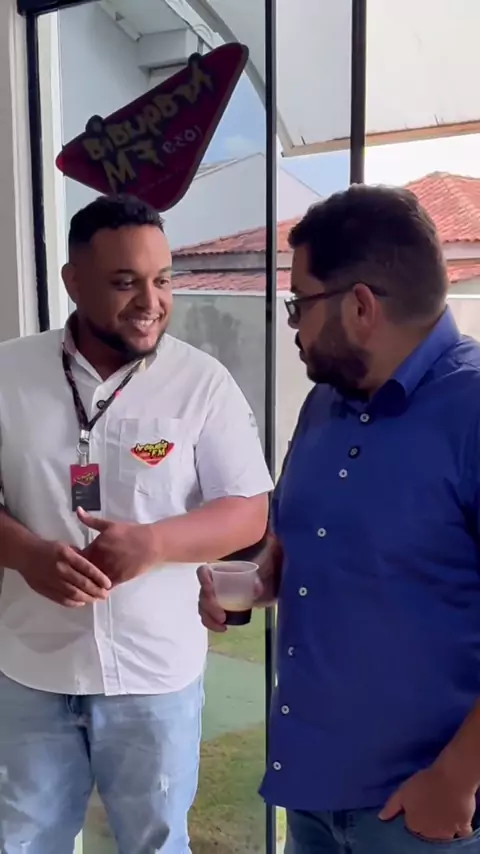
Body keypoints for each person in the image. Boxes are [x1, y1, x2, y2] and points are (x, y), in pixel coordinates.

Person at [199, 184, 480, 853]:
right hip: (312, 794)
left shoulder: (470, 411)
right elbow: (302, 536)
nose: (292, 326)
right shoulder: (326, 401)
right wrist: (263, 577)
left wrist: (457, 779)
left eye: (300, 303)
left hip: (422, 813)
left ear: (359, 306)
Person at [0, 193, 272, 854]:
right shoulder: (7, 373)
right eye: (125, 282)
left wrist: (154, 544)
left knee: (156, 844)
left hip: (155, 673)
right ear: (73, 281)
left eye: (163, 280)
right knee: (22, 843)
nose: (151, 301)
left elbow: (248, 509)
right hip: (31, 666)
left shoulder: (202, 383)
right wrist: (26, 552)